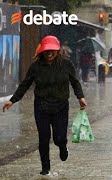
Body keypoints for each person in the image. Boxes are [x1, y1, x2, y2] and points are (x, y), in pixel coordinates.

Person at [2, 35, 87, 176]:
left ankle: (62, 147)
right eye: (47, 51)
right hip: (41, 107)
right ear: (42, 51)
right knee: (44, 137)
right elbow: (25, 84)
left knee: (59, 137)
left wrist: (81, 97)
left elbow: (75, 82)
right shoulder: (36, 66)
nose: (49, 53)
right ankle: (45, 168)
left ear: (57, 51)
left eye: (52, 50)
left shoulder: (66, 64)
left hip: (61, 106)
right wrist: (13, 100)